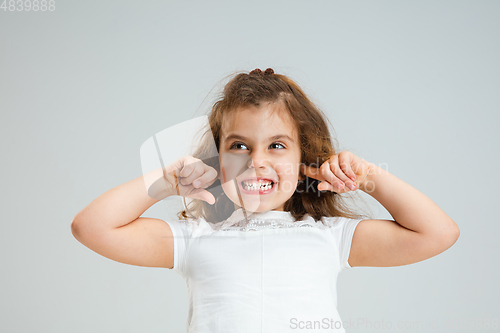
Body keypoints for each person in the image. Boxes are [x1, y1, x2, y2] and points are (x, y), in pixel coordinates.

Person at [71, 68, 460, 332]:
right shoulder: (196, 237)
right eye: (239, 145)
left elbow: (437, 233)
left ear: (304, 158)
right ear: (217, 158)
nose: (256, 162)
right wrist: (166, 181)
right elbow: (91, 227)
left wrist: (367, 175)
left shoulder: (330, 236)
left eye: (276, 145)